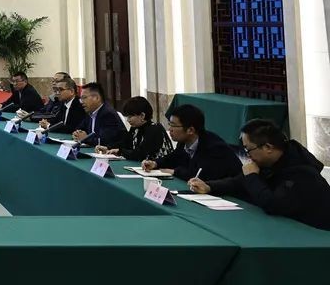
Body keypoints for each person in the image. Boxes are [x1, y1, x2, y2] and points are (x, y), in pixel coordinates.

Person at [188, 119, 330, 230]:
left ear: (268, 147)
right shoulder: (269, 163)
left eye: (248, 150)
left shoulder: (301, 172)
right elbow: (238, 182)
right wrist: (209, 187)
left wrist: (252, 177)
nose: (247, 156)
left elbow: (273, 205)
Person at [142, 104, 241, 181]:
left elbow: (200, 175)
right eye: (169, 124)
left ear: (190, 130)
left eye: (173, 125)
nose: (170, 129)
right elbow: (174, 157)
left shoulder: (214, 147)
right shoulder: (184, 141)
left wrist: (174, 172)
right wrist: (155, 163)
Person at [96, 96, 173, 162]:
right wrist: (108, 148)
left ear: (142, 115)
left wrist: (120, 151)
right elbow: (126, 143)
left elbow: (141, 153)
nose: (128, 120)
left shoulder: (155, 129)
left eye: (130, 116)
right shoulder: (135, 128)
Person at [71, 82, 126, 148]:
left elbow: (104, 141)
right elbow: (80, 128)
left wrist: (85, 138)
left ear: (96, 98)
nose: (81, 102)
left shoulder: (108, 114)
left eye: (84, 98)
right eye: (81, 98)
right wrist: (77, 134)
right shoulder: (90, 112)